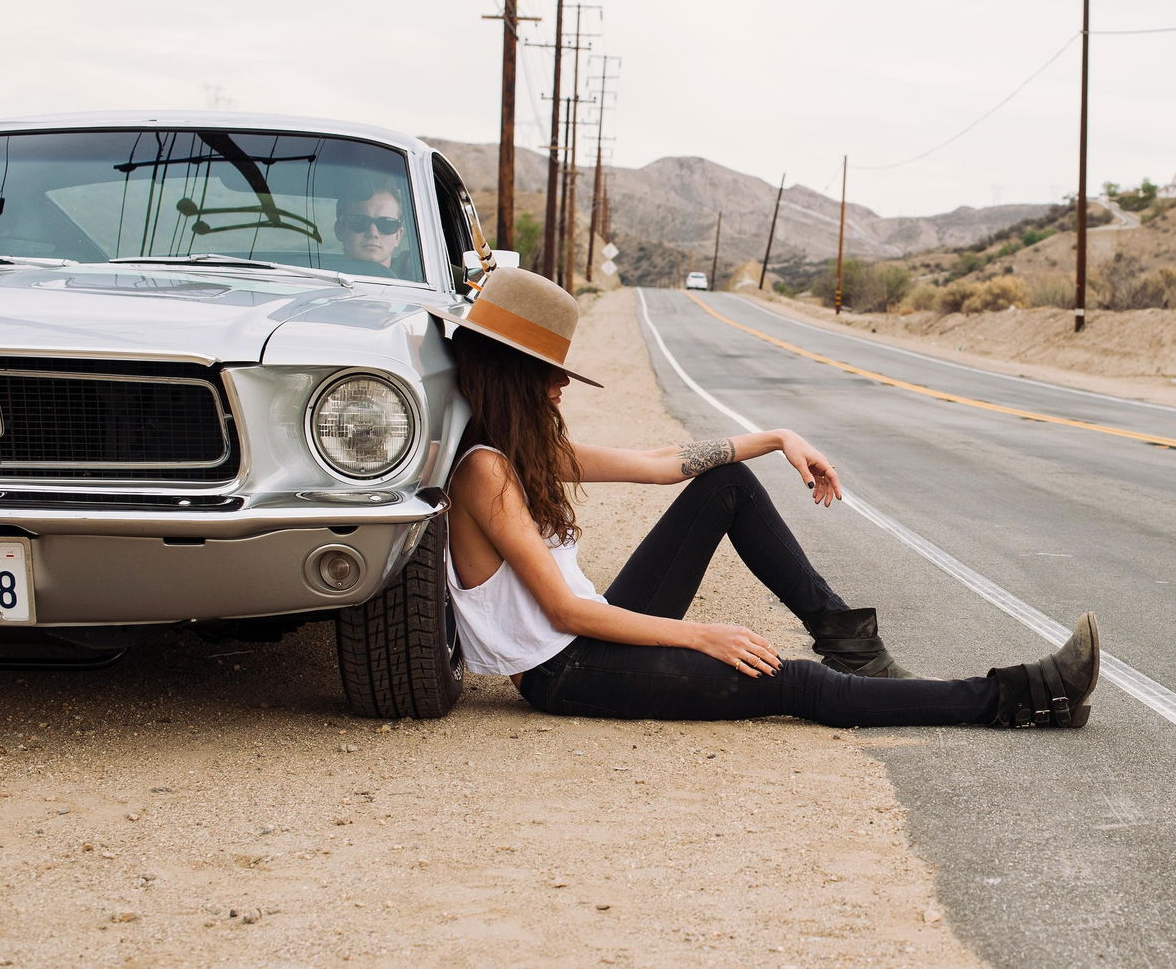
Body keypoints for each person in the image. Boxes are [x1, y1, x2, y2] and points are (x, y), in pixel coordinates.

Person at [426, 269, 1101, 729]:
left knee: (725, 484)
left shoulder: (520, 455)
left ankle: (850, 641)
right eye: (549, 376)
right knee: (793, 683)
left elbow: (660, 466)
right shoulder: (483, 472)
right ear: (513, 376)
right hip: (564, 672)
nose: (558, 390)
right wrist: (703, 638)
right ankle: (1020, 697)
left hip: (590, 637)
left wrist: (777, 437)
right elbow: (563, 610)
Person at [333, 183, 407, 271]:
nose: (373, 233)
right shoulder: (318, 281)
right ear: (340, 230)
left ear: (398, 236)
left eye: (386, 224)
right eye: (360, 221)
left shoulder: (417, 282)